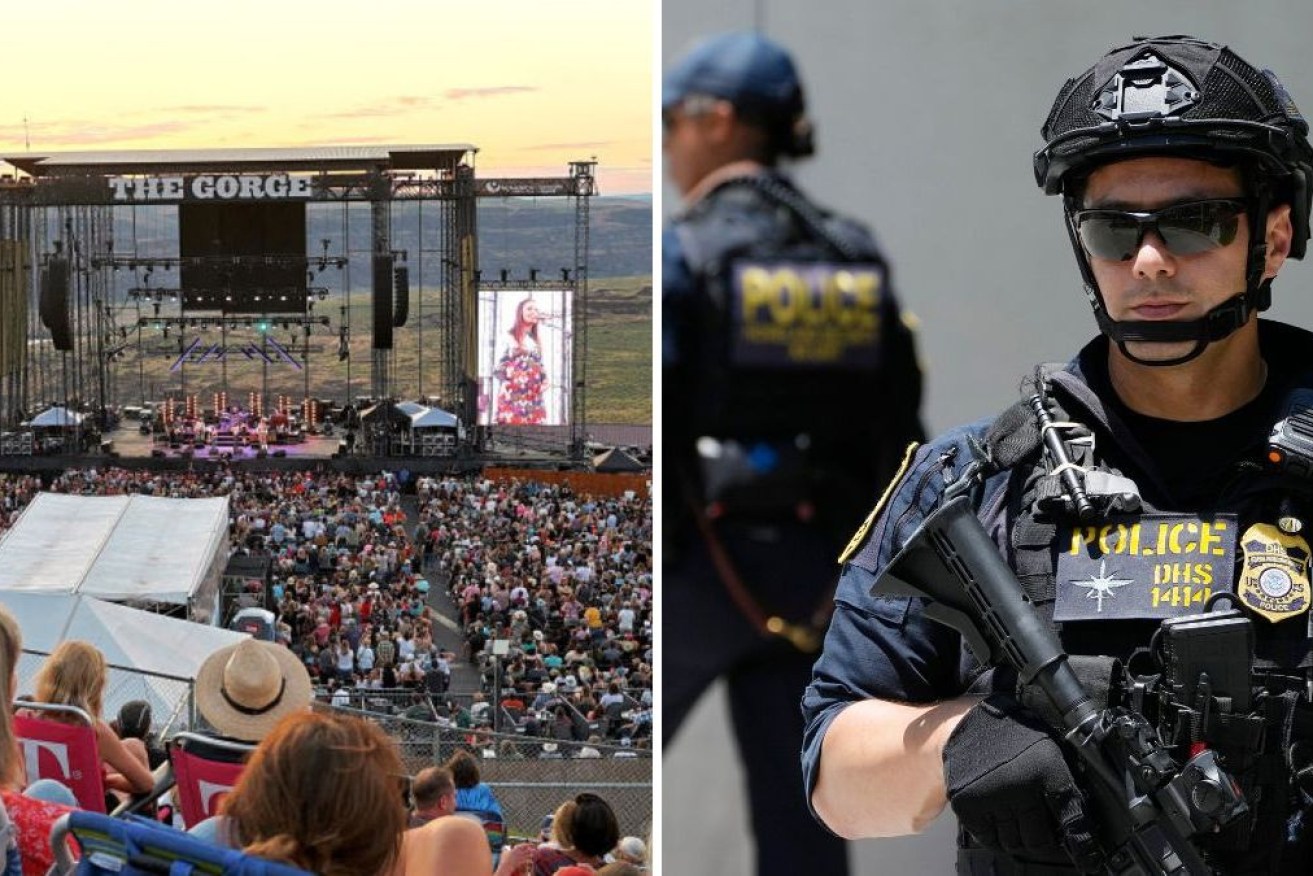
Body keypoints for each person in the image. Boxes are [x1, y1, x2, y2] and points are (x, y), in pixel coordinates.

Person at [803, 34, 1313, 874]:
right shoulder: (972, 483)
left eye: (1193, 223)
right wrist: (964, 744)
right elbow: (834, 781)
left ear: (1271, 238)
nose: (1149, 262)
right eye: (1115, 229)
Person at [662, 31, 924, 876]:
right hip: (820, 581)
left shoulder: (687, 253)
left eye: (671, 120)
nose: (666, 142)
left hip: (700, 571)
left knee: (606, 773)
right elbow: (898, 434)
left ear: (719, 121)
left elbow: (656, 417)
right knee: (805, 825)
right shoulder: (852, 253)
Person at [27, 641, 154, 801]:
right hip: (77, 823)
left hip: (27, 816)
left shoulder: (25, 717)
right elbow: (145, 783)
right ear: (95, 686)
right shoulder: (94, 731)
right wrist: (106, 780)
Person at [494, 297, 549, 425]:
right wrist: (511, 378)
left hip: (533, 397)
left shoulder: (536, 341)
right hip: (513, 398)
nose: (534, 311)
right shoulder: (508, 337)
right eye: (529, 308)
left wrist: (545, 380)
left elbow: (540, 366)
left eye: (536, 309)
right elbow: (498, 368)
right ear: (520, 313)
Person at [445, 749, 505, 823]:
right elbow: (497, 815)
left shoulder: (447, 789)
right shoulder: (483, 789)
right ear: (474, 772)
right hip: (480, 826)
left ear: (452, 772)